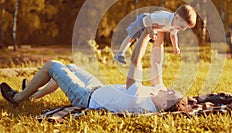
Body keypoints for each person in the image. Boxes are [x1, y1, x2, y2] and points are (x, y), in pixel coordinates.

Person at [1, 29, 189, 113]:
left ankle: (17, 98)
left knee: (52, 65)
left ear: (165, 102)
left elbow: (135, 61)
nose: (169, 89)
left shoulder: (141, 101)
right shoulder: (158, 95)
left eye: (171, 93)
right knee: (71, 68)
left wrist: (146, 34)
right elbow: (156, 63)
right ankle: (32, 96)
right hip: (97, 89)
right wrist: (162, 33)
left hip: (86, 98)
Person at [114, 5, 197, 65]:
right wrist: (151, 32)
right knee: (131, 37)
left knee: (139, 41)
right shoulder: (164, 17)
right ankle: (120, 54)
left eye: (186, 28)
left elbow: (173, 36)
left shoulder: (176, 26)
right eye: (182, 26)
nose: (182, 29)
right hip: (143, 21)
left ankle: (134, 57)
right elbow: (147, 19)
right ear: (177, 17)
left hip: (151, 28)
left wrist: (176, 47)